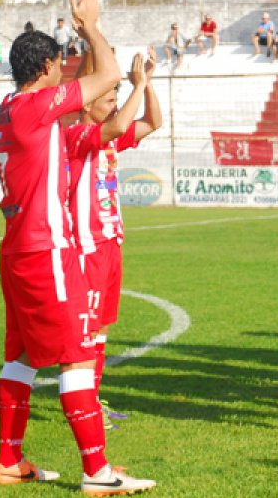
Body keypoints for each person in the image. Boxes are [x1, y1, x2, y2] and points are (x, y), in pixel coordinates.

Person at [0, 0, 154, 493]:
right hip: (47, 251)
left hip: (18, 249)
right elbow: (105, 76)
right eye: (60, 64)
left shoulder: (10, 109)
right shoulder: (35, 108)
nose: (66, 72)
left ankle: (9, 462)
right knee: (78, 358)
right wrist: (89, 26)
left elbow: (109, 107)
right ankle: (97, 472)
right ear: (45, 66)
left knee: (18, 358)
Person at [65, 47, 162, 433]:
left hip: (111, 245)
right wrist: (136, 83)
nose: (115, 105)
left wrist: (148, 86)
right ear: (86, 106)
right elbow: (122, 124)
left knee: (102, 329)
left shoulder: (108, 141)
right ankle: (82, 405)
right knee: (87, 333)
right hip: (87, 248)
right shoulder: (77, 136)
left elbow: (153, 122)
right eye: (108, 99)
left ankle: (93, 403)